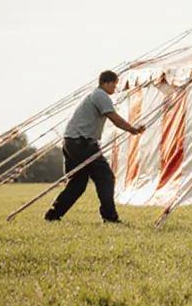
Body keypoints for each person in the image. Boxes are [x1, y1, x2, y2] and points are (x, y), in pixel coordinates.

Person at [44, 70, 146, 223]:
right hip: (82, 142)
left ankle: (53, 215)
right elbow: (115, 119)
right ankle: (109, 217)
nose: (115, 89)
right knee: (105, 178)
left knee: (77, 184)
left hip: (71, 141)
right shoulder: (101, 96)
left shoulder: (95, 95)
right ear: (107, 82)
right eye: (115, 84)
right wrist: (133, 129)